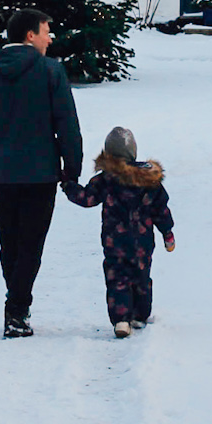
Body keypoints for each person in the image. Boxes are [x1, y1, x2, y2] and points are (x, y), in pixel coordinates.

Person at [0, 8, 83, 338]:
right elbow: (67, 125)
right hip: (41, 174)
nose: (49, 38)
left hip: (0, 174)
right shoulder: (50, 72)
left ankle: (16, 303)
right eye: (46, 31)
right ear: (30, 35)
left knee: (10, 243)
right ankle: (17, 309)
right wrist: (71, 169)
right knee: (31, 245)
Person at [62, 127, 175, 338]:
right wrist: (168, 233)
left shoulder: (106, 179)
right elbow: (161, 210)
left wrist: (69, 186)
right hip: (142, 243)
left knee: (117, 279)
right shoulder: (150, 181)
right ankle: (140, 314)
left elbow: (87, 198)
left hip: (115, 242)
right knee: (141, 277)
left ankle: (121, 320)